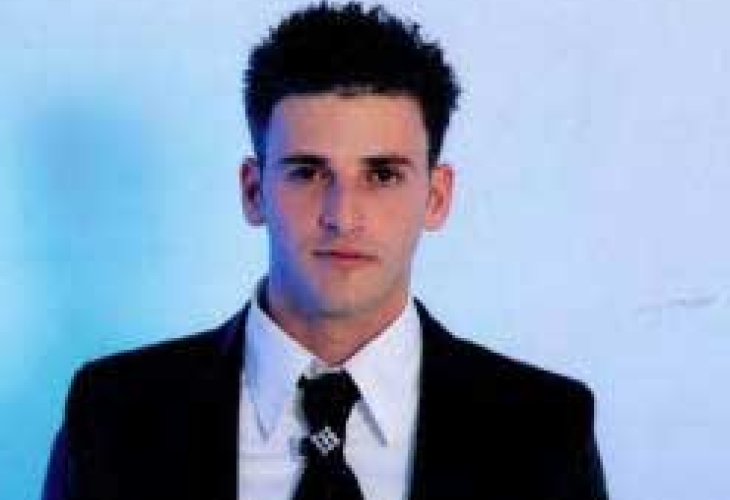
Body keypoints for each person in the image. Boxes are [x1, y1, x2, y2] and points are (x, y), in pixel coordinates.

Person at [42, 2, 608, 499]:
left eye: (382, 175)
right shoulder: (113, 416)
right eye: (308, 172)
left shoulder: (544, 430)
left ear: (436, 198)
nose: (343, 215)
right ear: (254, 191)